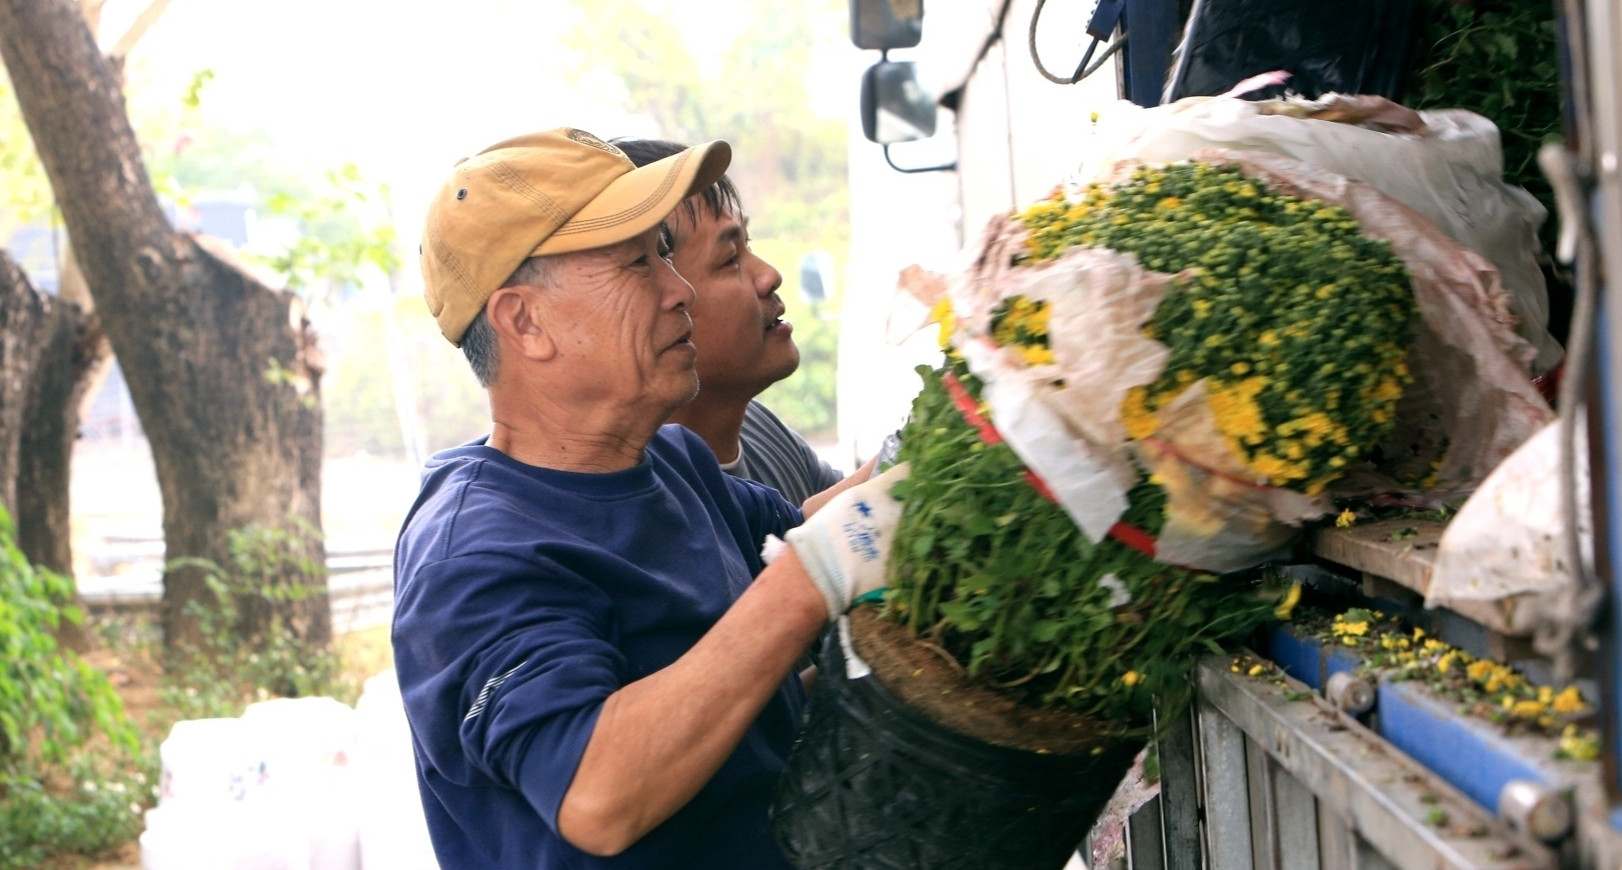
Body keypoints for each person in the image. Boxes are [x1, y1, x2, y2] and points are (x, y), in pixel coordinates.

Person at [392, 127, 909, 870]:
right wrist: (808, 583)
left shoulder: (669, 461)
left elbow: (802, 532)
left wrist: (965, 428)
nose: (680, 290)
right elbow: (597, 795)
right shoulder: (475, 556)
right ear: (524, 322)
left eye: (665, 254)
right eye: (638, 264)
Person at [612, 137, 845, 507]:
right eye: (728, 259)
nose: (770, 275)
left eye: (748, 245)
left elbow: (860, 515)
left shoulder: (756, 427)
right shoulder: (650, 508)